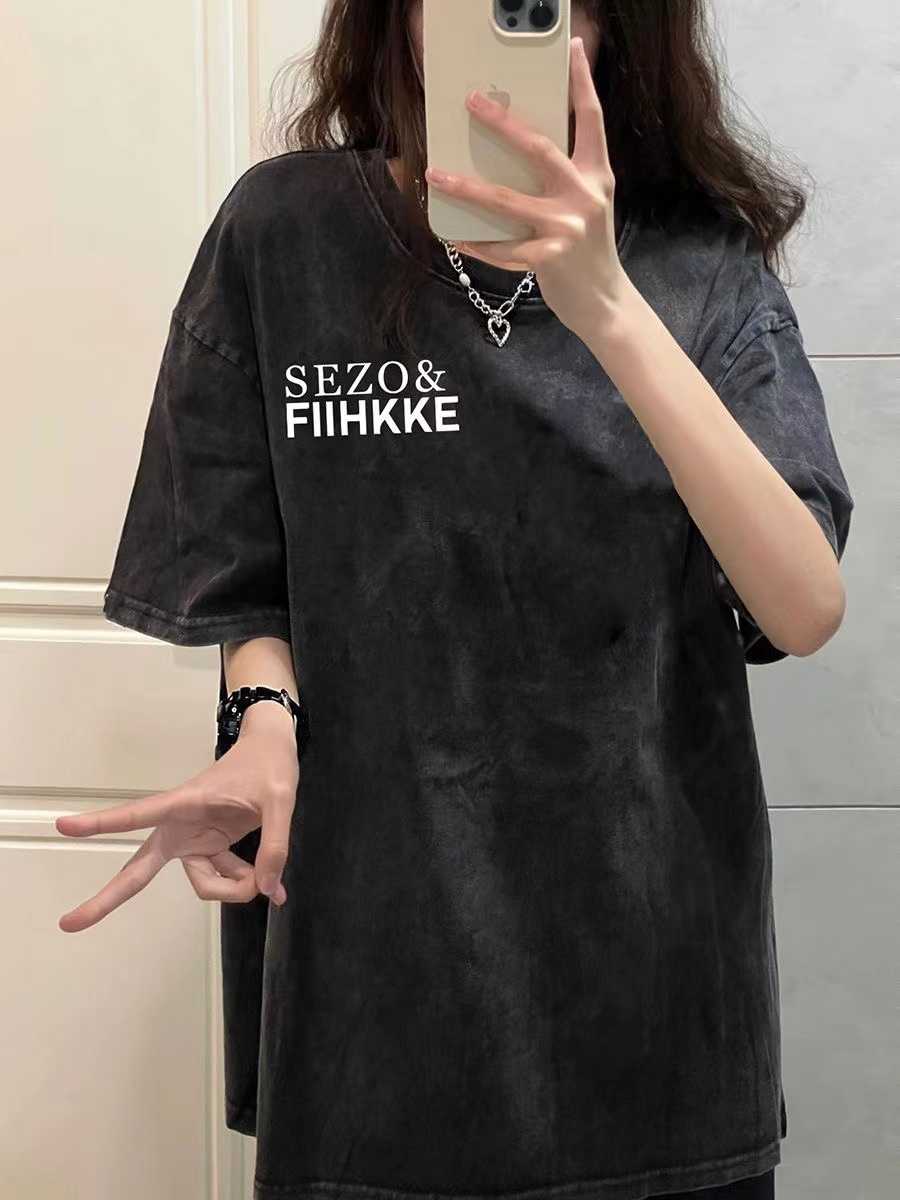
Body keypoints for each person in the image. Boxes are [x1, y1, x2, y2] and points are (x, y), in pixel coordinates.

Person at [57, 2, 854, 1199]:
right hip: (369, 995)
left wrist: (606, 303)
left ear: (614, 24)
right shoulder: (284, 235)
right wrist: (259, 720)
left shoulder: (698, 263)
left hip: (654, 1006)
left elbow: (801, 605)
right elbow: (241, 570)